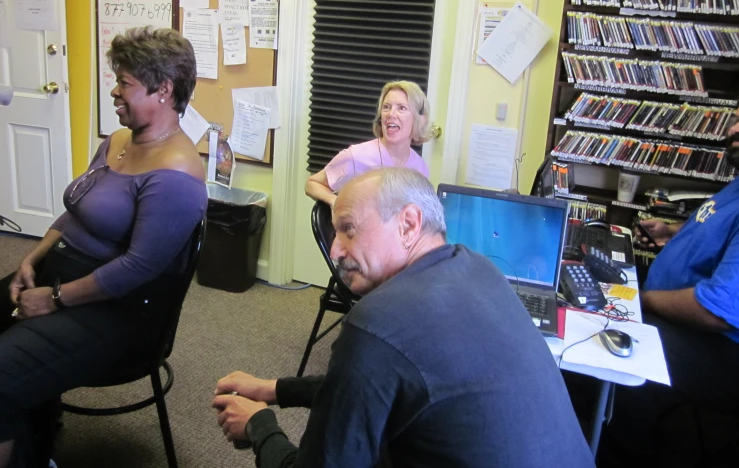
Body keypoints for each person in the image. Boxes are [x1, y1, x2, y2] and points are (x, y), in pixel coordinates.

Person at [214, 168, 594, 467]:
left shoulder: (375, 323)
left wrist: (259, 425)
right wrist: (275, 389)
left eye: (347, 229)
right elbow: (373, 388)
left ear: (409, 224)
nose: (334, 249)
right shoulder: (479, 268)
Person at [0, 27, 207, 468]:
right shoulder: (117, 141)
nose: (114, 91)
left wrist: (53, 299)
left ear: (163, 90)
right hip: (62, 277)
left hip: (118, 313)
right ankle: (32, 441)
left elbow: (136, 269)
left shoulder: (178, 174)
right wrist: (32, 258)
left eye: (125, 82)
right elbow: (77, 209)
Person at [598, 111, 739, 465]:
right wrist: (671, 232)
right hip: (672, 309)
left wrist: (640, 301)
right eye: (735, 118)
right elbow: (717, 232)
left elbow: (714, 310)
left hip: (719, 349)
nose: (733, 129)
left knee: (621, 354)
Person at [304, 81, 431, 207]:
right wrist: (335, 202)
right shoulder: (356, 156)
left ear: (420, 120)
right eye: (386, 107)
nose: (391, 114)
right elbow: (312, 184)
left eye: (401, 108)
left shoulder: (420, 168)